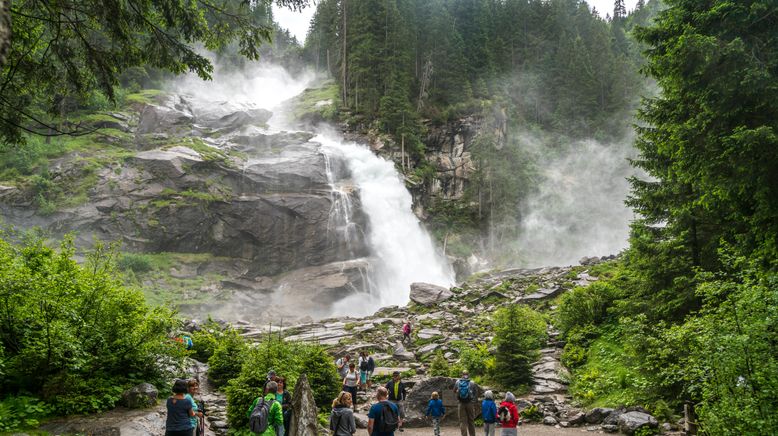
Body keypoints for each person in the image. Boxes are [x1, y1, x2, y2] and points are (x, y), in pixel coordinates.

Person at [453, 370, 476, 436]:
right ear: (468, 374)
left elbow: (454, 391)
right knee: (471, 420)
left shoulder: (458, 382)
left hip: (461, 403)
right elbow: (475, 393)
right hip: (470, 403)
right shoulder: (472, 382)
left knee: (462, 421)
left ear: (462, 374)